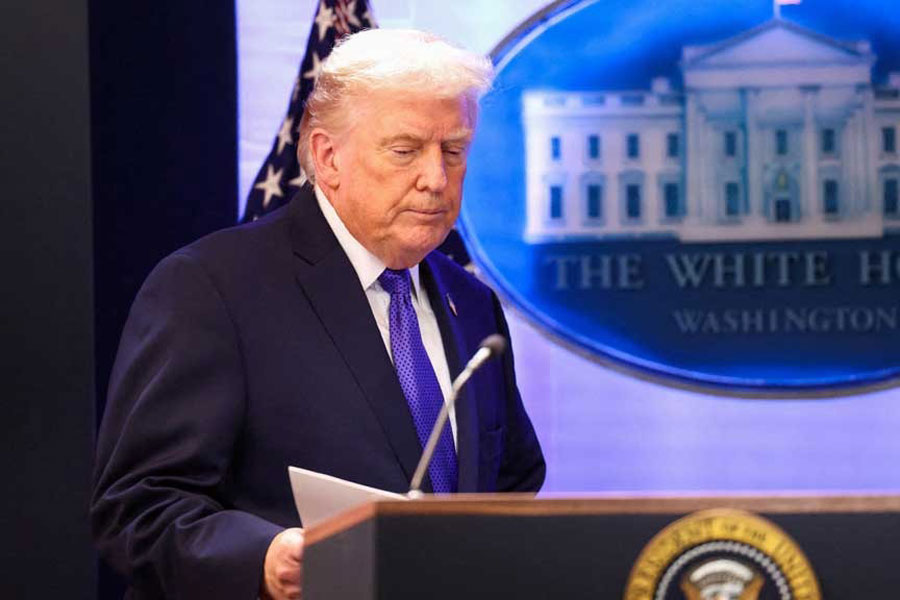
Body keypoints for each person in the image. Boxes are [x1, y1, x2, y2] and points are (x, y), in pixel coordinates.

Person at [91, 29, 545, 599]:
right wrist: (261, 557)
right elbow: (138, 505)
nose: (435, 178)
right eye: (405, 150)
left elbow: (512, 480)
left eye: (453, 150)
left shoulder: (470, 302)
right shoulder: (212, 288)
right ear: (329, 157)